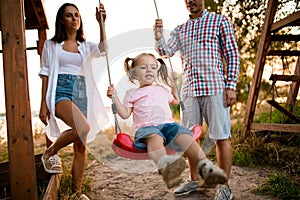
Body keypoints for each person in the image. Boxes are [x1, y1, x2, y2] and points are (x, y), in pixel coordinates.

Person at [153, 0, 240, 199]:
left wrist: (231, 86)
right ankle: (193, 180)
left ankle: (223, 186)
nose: (190, 0)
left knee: (221, 136)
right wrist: (158, 36)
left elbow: (232, 55)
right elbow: (166, 51)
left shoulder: (219, 21)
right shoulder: (180, 29)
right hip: (189, 91)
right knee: (188, 138)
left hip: (215, 88)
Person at [106, 53, 227, 189]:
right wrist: (115, 97)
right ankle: (166, 166)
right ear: (134, 74)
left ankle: (206, 167)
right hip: (147, 128)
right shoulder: (132, 93)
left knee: (184, 134)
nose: (149, 70)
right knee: (154, 137)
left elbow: (175, 100)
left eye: (153, 67)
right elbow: (124, 114)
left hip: (167, 126)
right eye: (144, 67)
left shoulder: (162, 89)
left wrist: (173, 85)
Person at [38, 3, 109, 199]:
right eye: (69, 16)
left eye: (77, 15)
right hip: (60, 91)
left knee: (81, 146)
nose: (74, 18)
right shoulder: (51, 46)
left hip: (81, 92)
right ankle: (50, 153)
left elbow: (103, 49)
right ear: (62, 20)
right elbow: (45, 74)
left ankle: (77, 194)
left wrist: (101, 23)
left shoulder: (86, 46)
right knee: (83, 127)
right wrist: (43, 105)